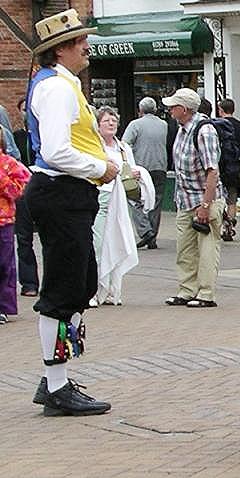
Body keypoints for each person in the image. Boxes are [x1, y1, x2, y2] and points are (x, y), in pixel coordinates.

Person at [24, 9, 118, 415]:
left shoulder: (60, 84)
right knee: (63, 289)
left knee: (83, 283)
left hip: (68, 196)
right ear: (61, 50)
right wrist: (103, 168)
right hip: (59, 193)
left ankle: (55, 378)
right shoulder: (58, 89)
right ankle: (56, 384)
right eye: (80, 42)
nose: (87, 47)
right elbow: (56, 151)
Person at [162, 88, 225, 308]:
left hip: (205, 198)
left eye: (174, 106)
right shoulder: (180, 130)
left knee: (207, 248)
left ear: (186, 109)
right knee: (185, 247)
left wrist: (206, 206)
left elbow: (212, 171)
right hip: (185, 199)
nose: (170, 110)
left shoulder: (204, 131)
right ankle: (187, 289)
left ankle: (206, 293)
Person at [91, 106, 140, 306]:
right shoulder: (95, 147)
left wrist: (135, 173)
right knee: (99, 245)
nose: (111, 124)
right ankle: (94, 290)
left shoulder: (123, 148)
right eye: (106, 121)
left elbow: (131, 168)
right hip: (100, 198)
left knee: (119, 242)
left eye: (114, 121)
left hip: (119, 200)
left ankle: (113, 291)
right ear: (98, 125)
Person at [122, 96, 168, 249]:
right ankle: (152, 236)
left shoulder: (135, 124)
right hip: (160, 166)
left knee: (135, 200)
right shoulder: (164, 124)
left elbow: (124, 144)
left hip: (142, 167)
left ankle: (145, 230)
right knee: (156, 202)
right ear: (155, 109)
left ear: (140, 110)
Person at [0, 126, 31, 324]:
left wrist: (3, 180)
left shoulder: (9, 164)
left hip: (4, 222)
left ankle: (3, 306)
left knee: (4, 265)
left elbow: (23, 187)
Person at [13, 98, 40, 297]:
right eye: (24, 110)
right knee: (24, 238)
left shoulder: (44, 136)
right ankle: (29, 282)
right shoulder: (15, 137)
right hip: (23, 191)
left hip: (42, 189)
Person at [218, 98, 240, 240]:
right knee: (232, 200)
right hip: (236, 168)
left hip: (221, 168)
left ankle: (223, 224)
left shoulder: (218, 126)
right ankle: (229, 227)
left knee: (219, 199)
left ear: (221, 110)